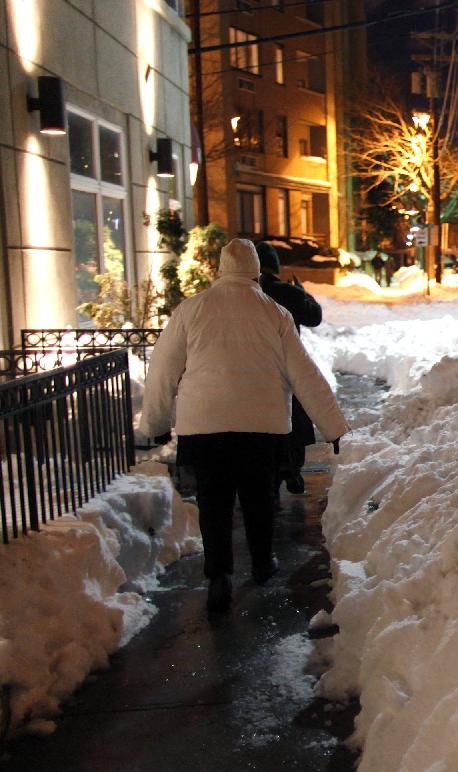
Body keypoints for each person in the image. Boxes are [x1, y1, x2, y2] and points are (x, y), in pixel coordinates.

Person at [140, 239, 349, 614]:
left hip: (203, 427)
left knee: (213, 500)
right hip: (261, 427)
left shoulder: (191, 310)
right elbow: (306, 376)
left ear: (220, 268)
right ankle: (262, 561)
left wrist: (154, 424)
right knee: (258, 497)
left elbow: (162, 371)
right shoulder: (275, 313)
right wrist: (334, 428)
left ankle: (218, 574)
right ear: (256, 269)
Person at [255, 241, 323, 495]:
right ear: (275, 267)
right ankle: (292, 468)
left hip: (253, 369)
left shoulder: (245, 295)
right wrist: (302, 292)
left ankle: (269, 474)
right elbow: (314, 316)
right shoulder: (286, 292)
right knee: (293, 416)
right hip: (286, 367)